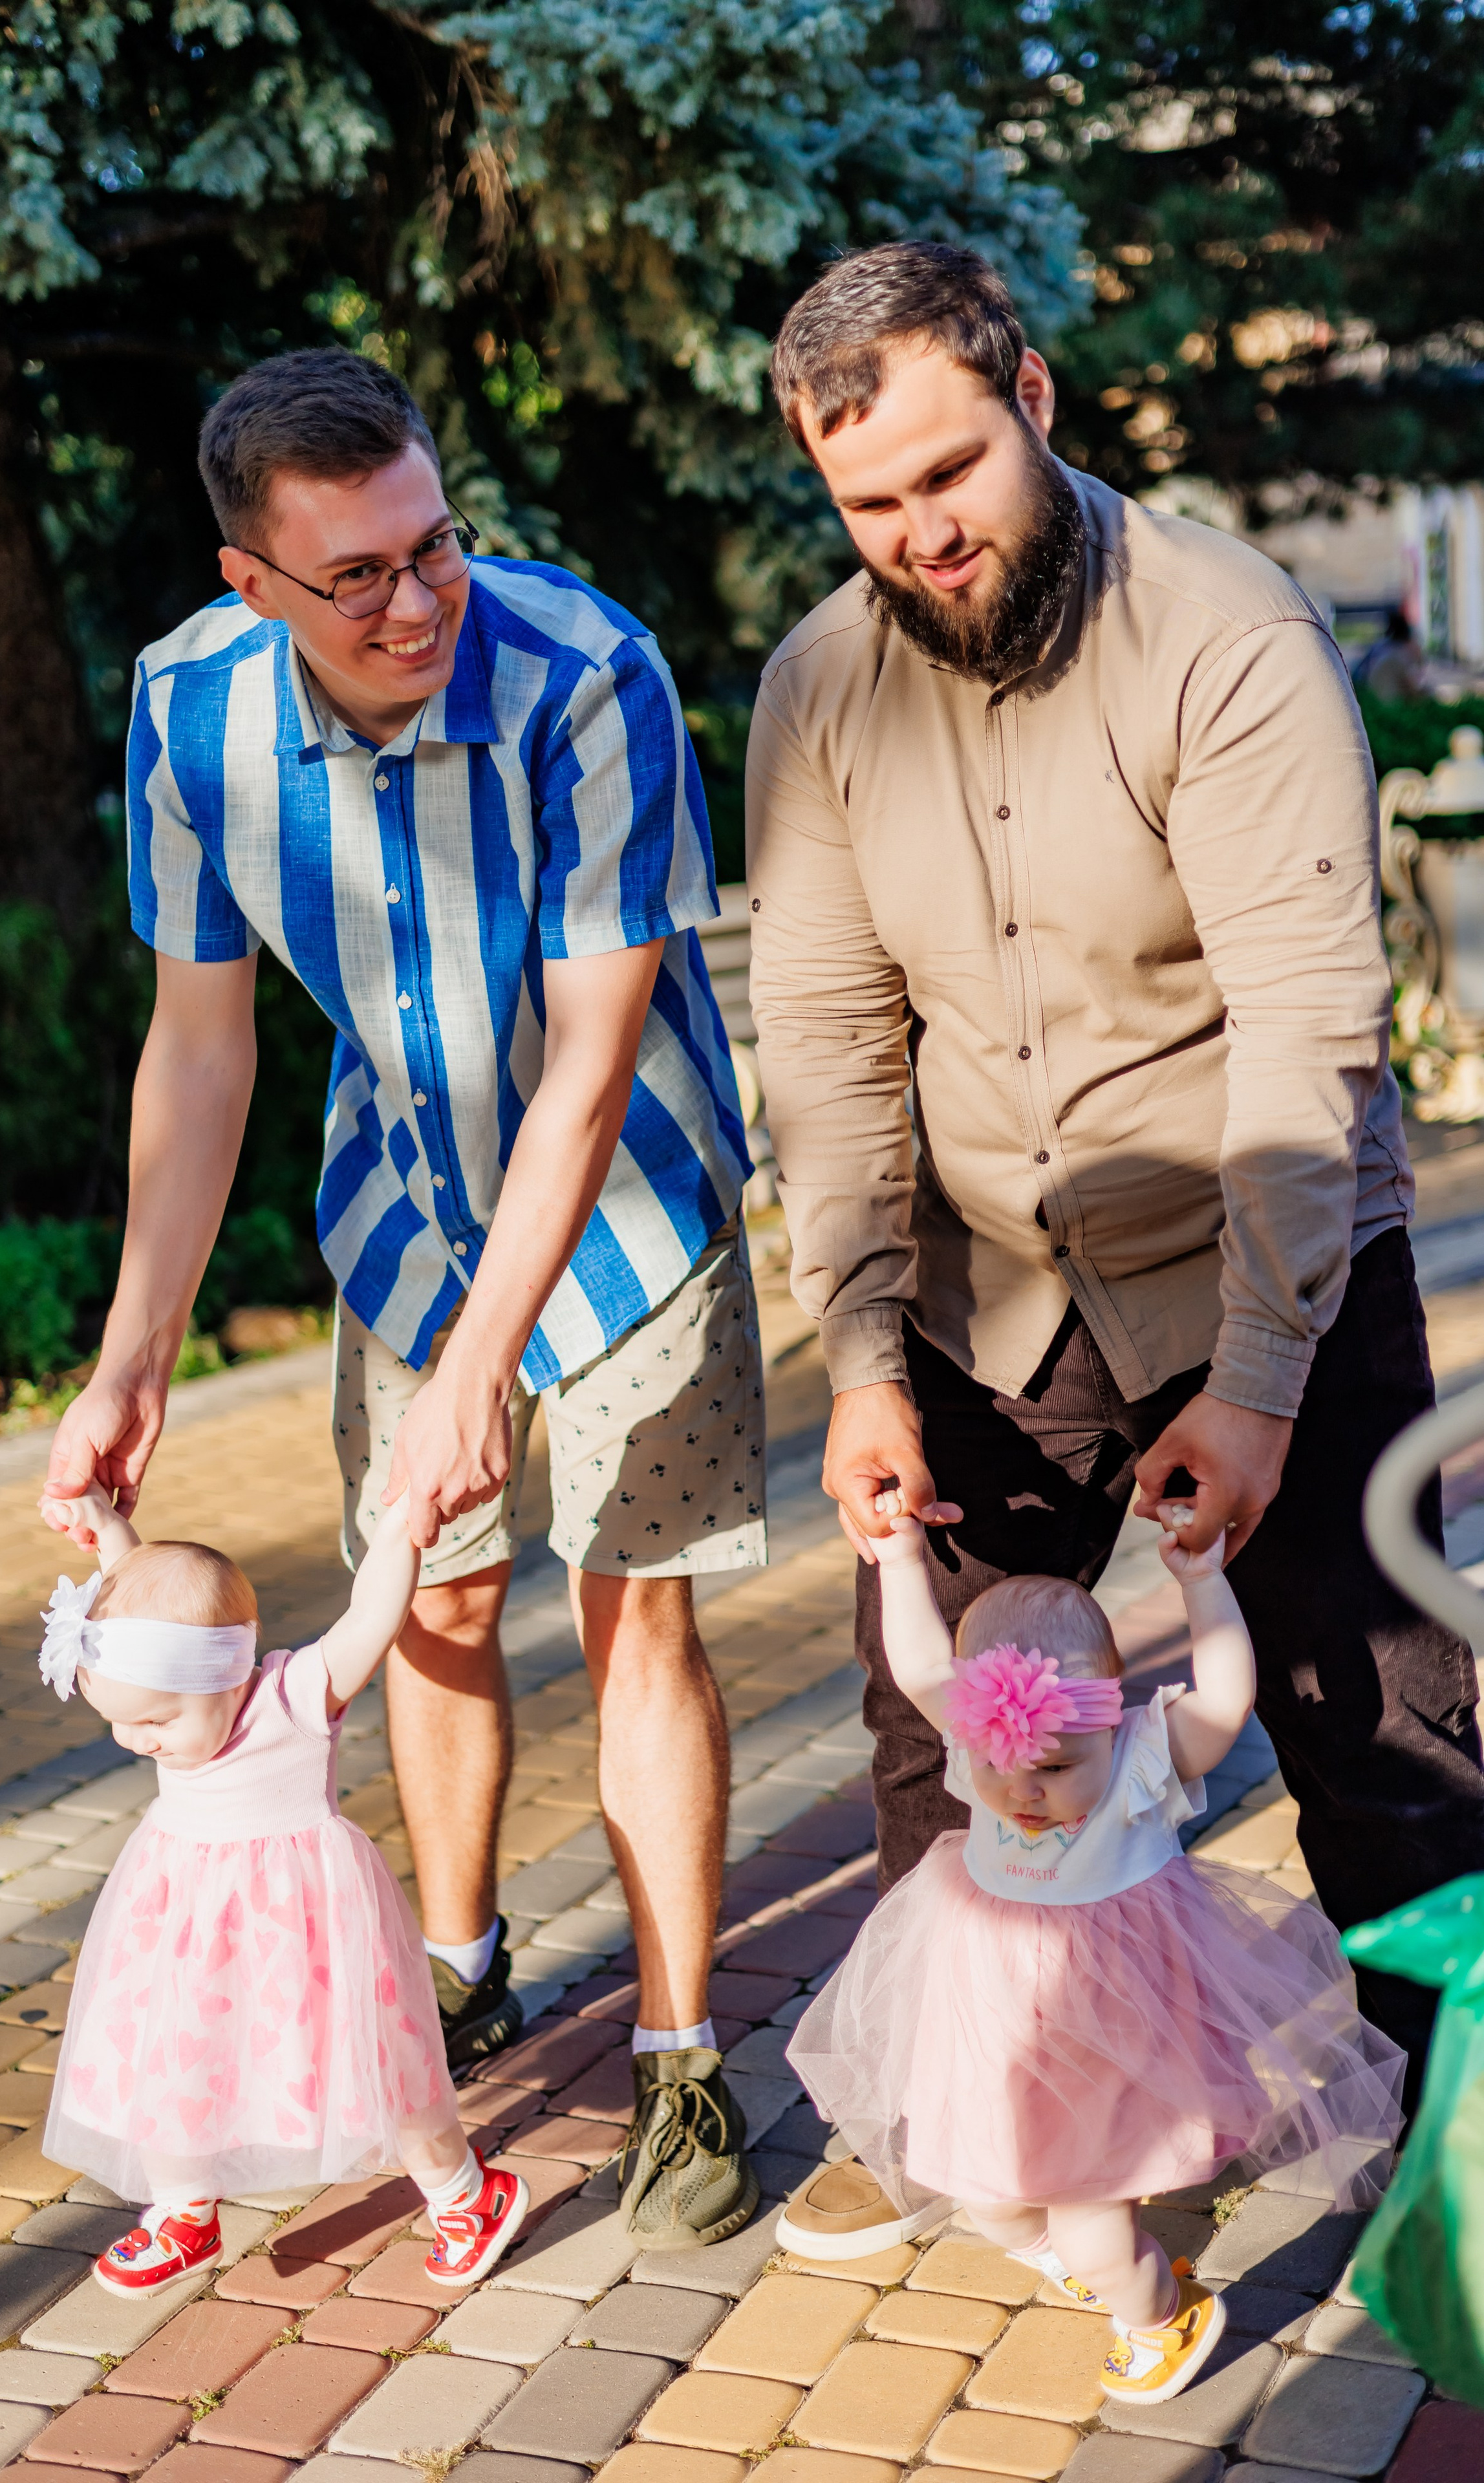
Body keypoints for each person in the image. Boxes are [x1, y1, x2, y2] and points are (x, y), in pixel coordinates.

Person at [745, 239, 1484, 2252]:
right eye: (866, 501)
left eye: (946, 474)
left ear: (1038, 400)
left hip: (1266, 1239)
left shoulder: (1229, 639)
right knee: (949, 1722)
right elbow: (822, 1036)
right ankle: (969, 2122)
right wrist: (864, 1353)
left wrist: (1255, 1386)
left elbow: (1305, 1036)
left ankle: (1463, 2155)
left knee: (1377, 1719)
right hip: (995, 1274)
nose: (917, 535)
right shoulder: (816, 685)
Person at [45, 347, 767, 2249]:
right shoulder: (187, 712)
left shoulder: (590, 675)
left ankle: (683, 2052)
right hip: (400, 1206)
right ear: (247, 583)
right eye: (352, 575)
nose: (415, 600)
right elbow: (199, 1054)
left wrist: (479, 1368)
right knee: (430, 1607)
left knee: (637, 1628)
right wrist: (133, 1358)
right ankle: (455, 1963)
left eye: (430, 544)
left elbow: (590, 1068)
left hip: (632, 1204)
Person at [786, 1505, 1404, 2405]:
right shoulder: (987, 1741)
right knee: (987, 2194)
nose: (1021, 1794)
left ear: (1109, 1726)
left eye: (1055, 1769)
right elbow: (919, 1662)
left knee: (1092, 2227)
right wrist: (901, 1558)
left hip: (1115, 2029)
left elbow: (1226, 1697)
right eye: (1004, 1768)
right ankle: (1056, 2249)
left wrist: (1202, 1582)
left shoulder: (1142, 1761)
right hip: (996, 2020)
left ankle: (1161, 2315)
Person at [31, 1484, 530, 2293]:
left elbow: (370, 1620)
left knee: (383, 2061)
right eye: (120, 1724)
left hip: (304, 1924)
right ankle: (183, 2206)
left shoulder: (295, 1698)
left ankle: (467, 2195)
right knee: (169, 2052)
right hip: (183, 1916)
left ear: (228, 1676)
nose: (138, 1741)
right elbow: (144, 1593)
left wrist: (403, 1530)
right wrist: (112, 1535)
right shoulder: (174, 1681)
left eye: (157, 1723)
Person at [1356, 609, 1426, 704]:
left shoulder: (1382, 647)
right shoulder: (1399, 655)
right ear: (1408, 640)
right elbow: (1413, 689)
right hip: (1388, 704)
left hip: (1372, 698)